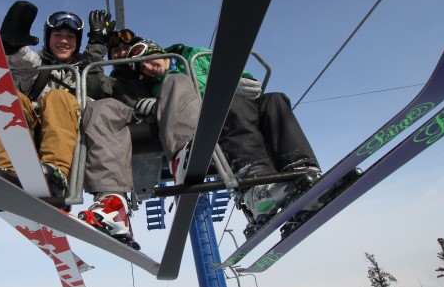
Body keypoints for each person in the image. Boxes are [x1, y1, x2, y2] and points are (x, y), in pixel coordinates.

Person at [95, 33, 321, 238]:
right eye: (142, 69)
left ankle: (304, 172)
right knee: (232, 108)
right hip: (216, 115)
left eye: (148, 61)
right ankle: (255, 186)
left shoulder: (196, 56)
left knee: (275, 100)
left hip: (239, 101)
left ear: (158, 51)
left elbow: (235, 73)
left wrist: (241, 80)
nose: (148, 69)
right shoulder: (157, 86)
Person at [0, 1, 115, 206]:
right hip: (32, 133)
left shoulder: (83, 74)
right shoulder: (37, 65)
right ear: (48, 38)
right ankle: (7, 171)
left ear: (77, 42)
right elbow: (22, 59)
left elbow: (99, 93)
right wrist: (12, 43)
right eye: (58, 36)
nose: (64, 41)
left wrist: (98, 42)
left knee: (58, 97)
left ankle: (55, 175)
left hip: (67, 142)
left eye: (70, 37)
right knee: (10, 98)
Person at [78, 36, 200, 248]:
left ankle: (184, 153)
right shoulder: (118, 82)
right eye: (116, 51)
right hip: (131, 118)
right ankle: (113, 204)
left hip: (167, 118)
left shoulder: (168, 71)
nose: (148, 67)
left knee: (176, 81)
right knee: (99, 108)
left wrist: (159, 101)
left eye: (128, 50)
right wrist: (97, 43)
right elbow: (91, 83)